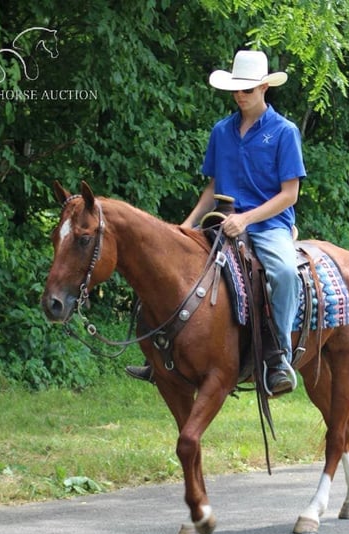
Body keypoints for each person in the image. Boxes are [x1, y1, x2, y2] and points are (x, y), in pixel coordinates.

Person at [127, 50, 306, 396]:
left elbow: (290, 194)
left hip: (268, 226)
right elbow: (212, 186)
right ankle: (159, 353)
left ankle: (278, 357)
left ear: (265, 87)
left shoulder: (284, 132)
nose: (240, 96)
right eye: (236, 90)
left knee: (283, 273)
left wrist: (247, 219)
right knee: (165, 267)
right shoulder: (222, 131)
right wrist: (186, 225)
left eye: (248, 90)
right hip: (219, 222)